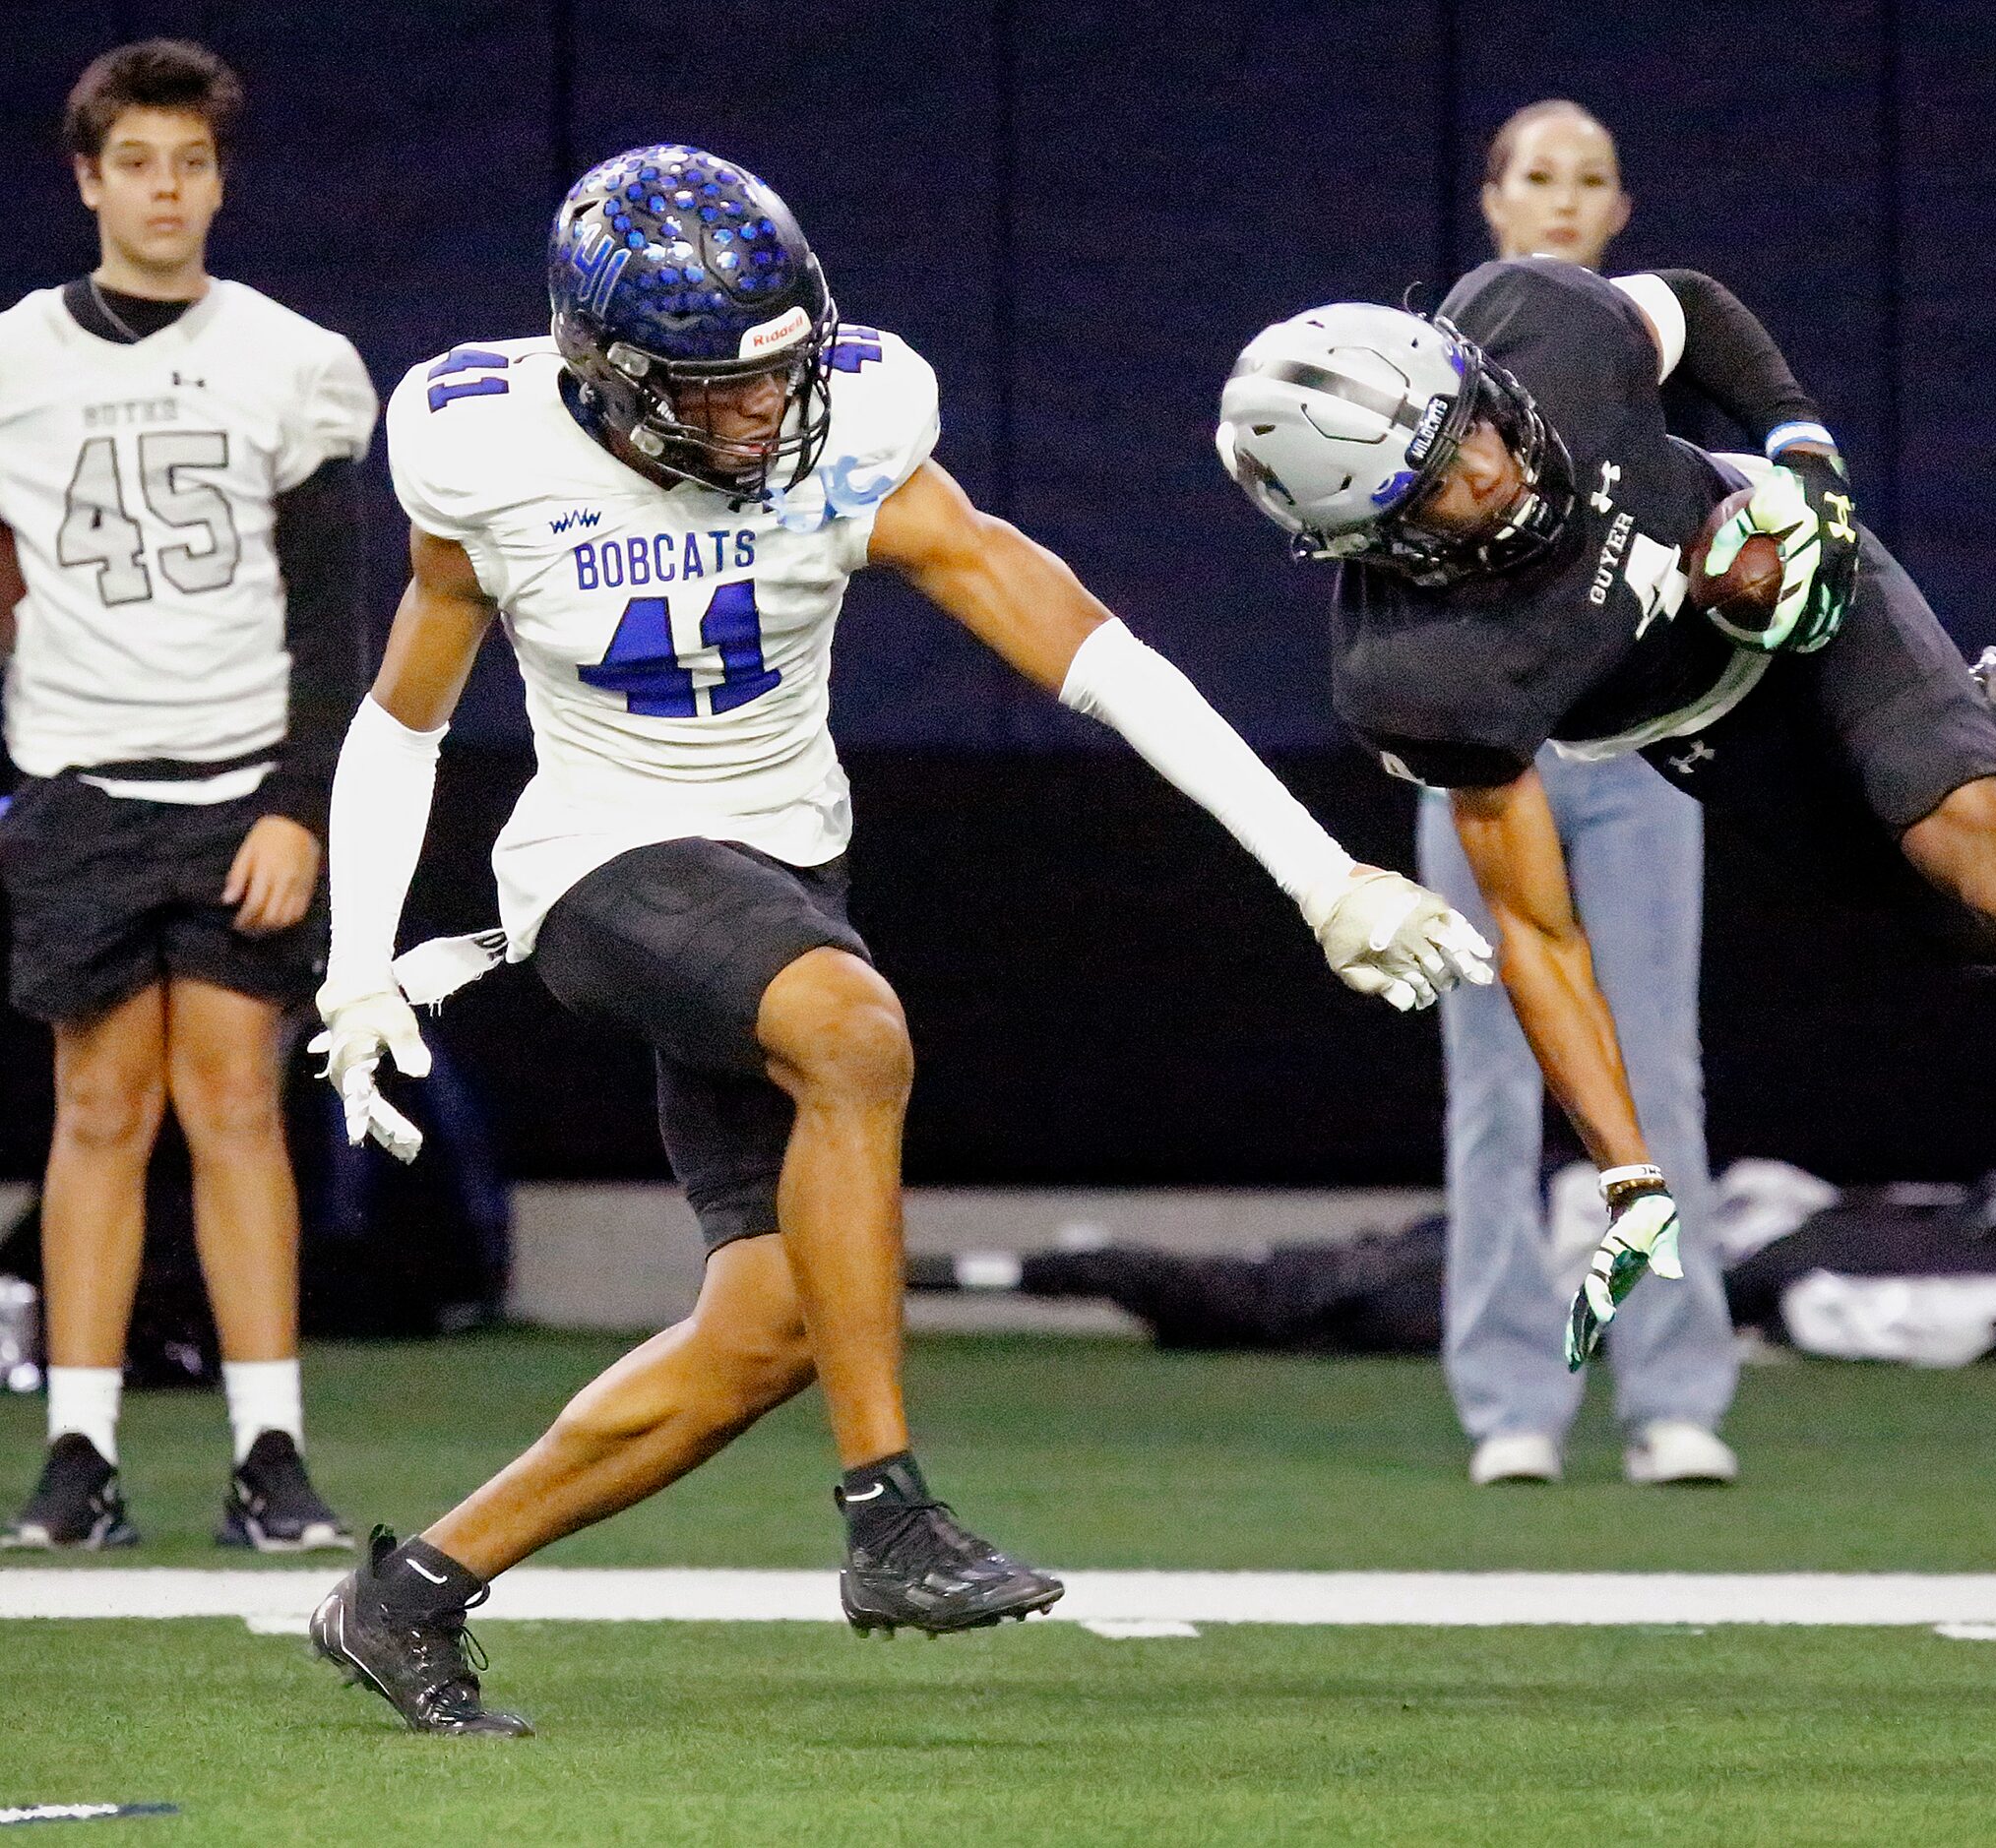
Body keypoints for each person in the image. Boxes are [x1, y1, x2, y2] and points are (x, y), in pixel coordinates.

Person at [304, 145, 1487, 1737]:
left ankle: (412, 1590)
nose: (760, 413)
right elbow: (403, 719)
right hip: (601, 866)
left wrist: (1314, 868)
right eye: (715, 390)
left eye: (780, 372)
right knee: (855, 1035)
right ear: (604, 372)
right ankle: (888, 1513)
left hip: (786, 870)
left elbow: (1087, 647)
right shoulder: (483, 449)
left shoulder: (849, 426)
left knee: (766, 1326)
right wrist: (354, 951)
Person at [1216, 257, 1996, 1413]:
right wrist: (1626, 1172)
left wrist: (1803, 458)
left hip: (1807, 595)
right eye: (1429, 489)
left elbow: (1690, 308)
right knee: (1967, 929)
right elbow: (1537, 930)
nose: (1483, 472)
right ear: (1368, 540)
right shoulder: (1422, 680)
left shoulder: (1542, 328)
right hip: (1701, 733)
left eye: (1467, 427)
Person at [0, 40, 372, 1553]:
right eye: (138, 163)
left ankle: (267, 1448)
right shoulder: (17, 357)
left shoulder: (292, 359)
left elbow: (330, 610)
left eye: (193, 162)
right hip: (81, 781)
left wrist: (299, 801)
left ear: (221, 179)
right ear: (88, 178)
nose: (167, 190)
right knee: (95, 1108)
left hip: (239, 787)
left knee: (234, 1105)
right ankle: (77, 1453)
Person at [1425, 100, 1735, 1489]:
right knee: (1493, 1080)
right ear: (1495, 202)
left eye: (1588, 180)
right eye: (1537, 177)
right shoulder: (1420, 372)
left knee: (1652, 1066)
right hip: (1487, 761)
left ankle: (1674, 1394)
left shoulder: (1651, 360)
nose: (1561, 201)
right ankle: (1510, 1402)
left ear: (1619, 212)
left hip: (1643, 749)